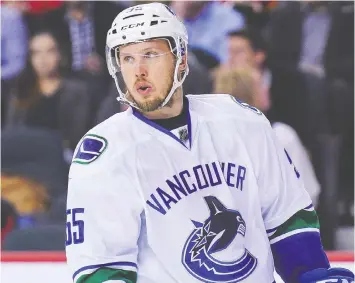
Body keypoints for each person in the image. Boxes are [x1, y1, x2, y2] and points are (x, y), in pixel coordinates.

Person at [65, 3, 354, 283]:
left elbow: (286, 219)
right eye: (127, 58)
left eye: (150, 54)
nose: (138, 69)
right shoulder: (104, 151)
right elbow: (102, 267)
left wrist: (311, 275)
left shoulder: (242, 121)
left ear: (180, 57)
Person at [214, 66, 321, 208]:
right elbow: (308, 193)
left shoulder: (204, 138)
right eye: (261, 85)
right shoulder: (280, 136)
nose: (266, 89)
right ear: (250, 93)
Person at [5, 30, 91, 151]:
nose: (43, 59)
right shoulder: (20, 91)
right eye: (36, 53)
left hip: (63, 160)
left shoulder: (77, 91)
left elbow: (77, 136)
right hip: (25, 159)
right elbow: (11, 134)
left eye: (49, 51)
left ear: (59, 54)